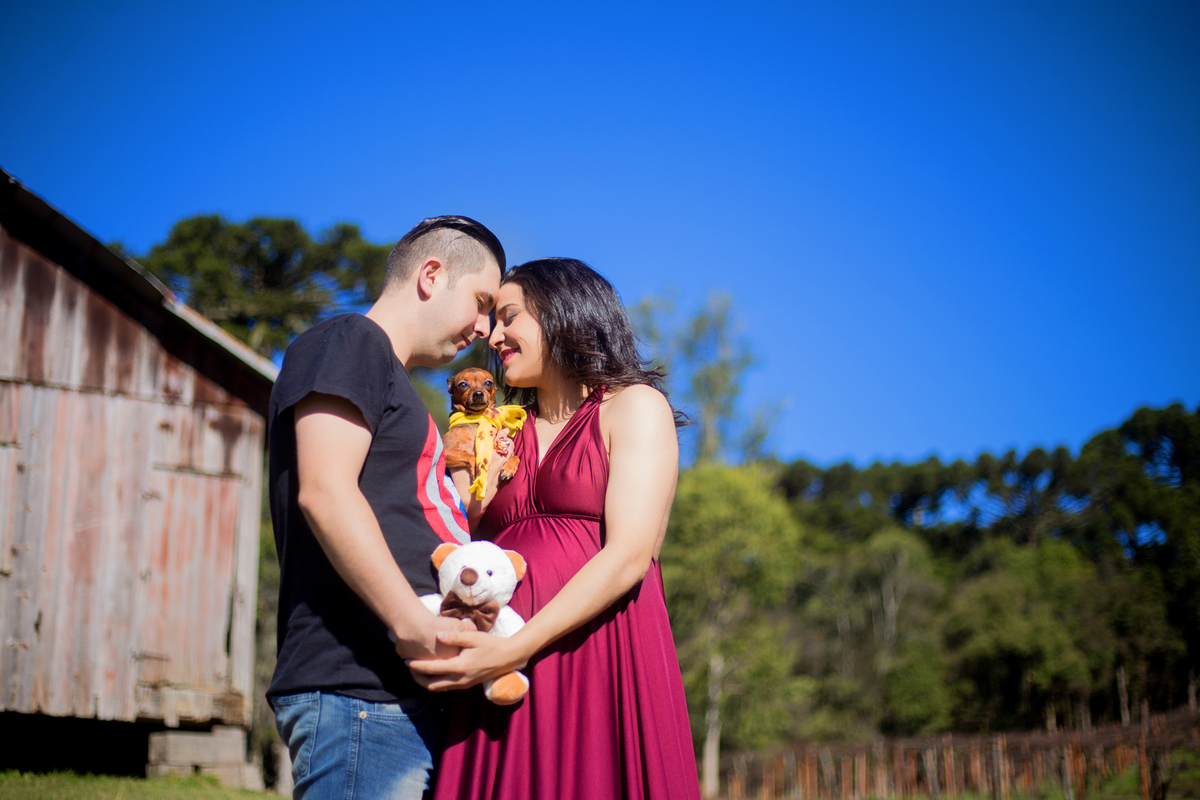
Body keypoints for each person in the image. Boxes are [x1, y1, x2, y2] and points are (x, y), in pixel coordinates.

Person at [409, 258, 703, 799]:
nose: (493, 335)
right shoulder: (499, 433)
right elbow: (465, 544)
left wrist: (517, 647)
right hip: (499, 668)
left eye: (509, 317)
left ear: (564, 312)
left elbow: (630, 554)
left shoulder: (633, 407)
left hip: (599, 654)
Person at [266, 216, 506, 799]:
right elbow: (325, 490)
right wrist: (414, 624)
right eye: (481, 303)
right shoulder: (351, 341)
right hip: (358, 695)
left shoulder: (394, 382)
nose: (484, 328)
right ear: (431, 274)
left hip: (393, 697)